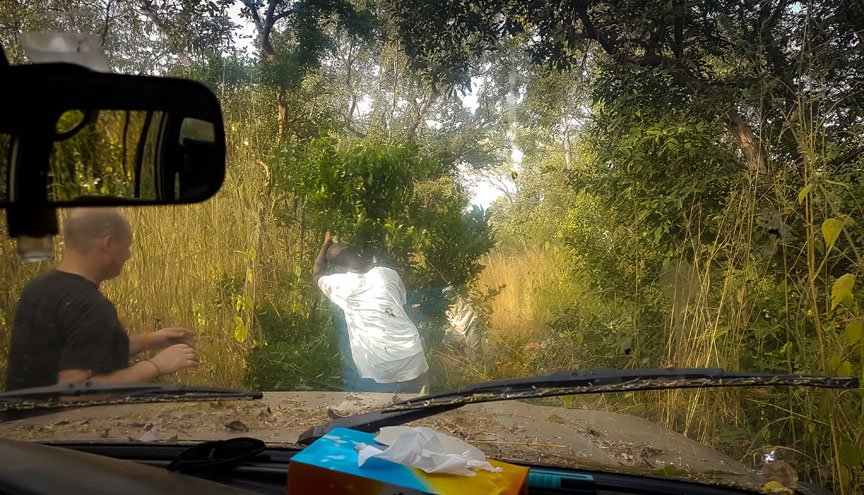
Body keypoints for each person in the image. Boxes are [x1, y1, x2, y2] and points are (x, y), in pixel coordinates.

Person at [4, 207, 198, 391]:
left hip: (18, 423)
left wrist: (149, 340)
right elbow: (74, 395)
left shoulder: (37, 288)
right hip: (57, 424)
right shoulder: (91, 307)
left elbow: (81, 352)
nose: (129, 255)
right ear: (109, 243)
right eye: (127, 246)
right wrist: (156, 365)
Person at [313, 231, 430, 394]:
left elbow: (317, 274)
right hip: (412, 354)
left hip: (378, 366)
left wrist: (325, 244)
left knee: (383, 414)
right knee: (423, 409)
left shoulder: (339, 284)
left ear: (338, 269)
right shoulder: (388, 273)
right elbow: (402, 303)